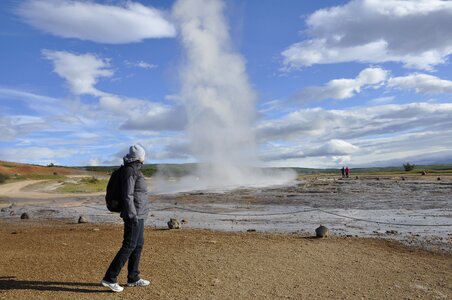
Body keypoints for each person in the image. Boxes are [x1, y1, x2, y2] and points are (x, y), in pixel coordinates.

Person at [101, 145, 150, 292]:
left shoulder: (134, 169)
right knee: (129, 245)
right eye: (144, 155)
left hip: (139, 214)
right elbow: (127, 195)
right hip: (133, 215)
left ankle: (133, 278)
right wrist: (131, 215)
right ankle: (110, 278)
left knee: (138, 244)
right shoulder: (130, 170)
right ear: (140, 156)